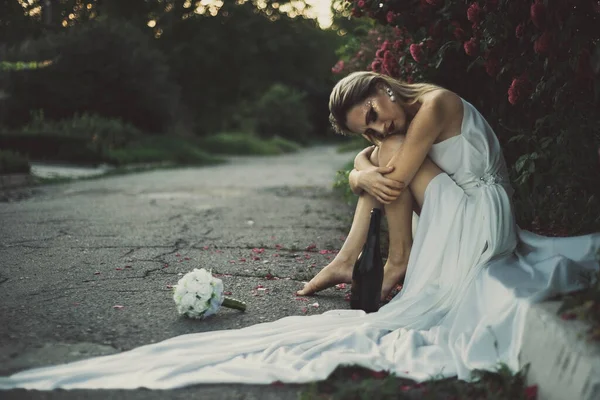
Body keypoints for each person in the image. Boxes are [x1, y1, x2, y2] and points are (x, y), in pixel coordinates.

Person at [0, 72, 598, 391]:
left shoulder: (435, 104)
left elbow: (394, 175)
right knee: (379, 172)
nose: (378, 122)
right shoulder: (401, 123)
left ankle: (389, 260)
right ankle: (364, 259)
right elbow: (385, 172)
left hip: (480, 213)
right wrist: (364, 170)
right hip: (457, 209)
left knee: (382, 172)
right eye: (366, 125)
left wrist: (361, 172)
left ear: (381, 85)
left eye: (372, 110)